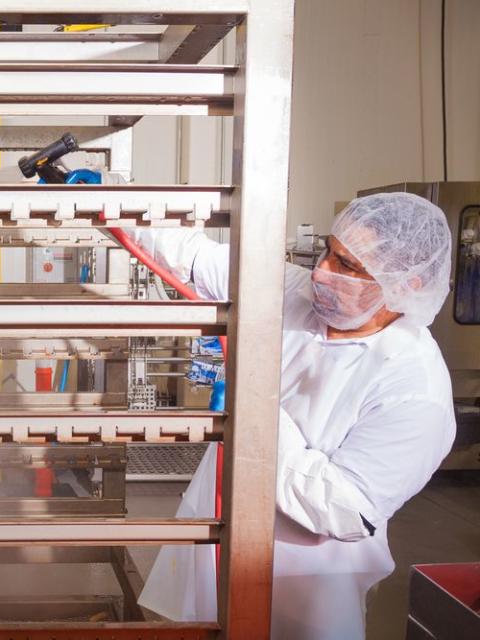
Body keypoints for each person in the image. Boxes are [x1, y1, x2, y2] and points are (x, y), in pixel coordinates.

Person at [135, 192, 456, 639]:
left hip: (308, 587)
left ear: (407, 285)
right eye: (328, 249)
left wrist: (254, 409)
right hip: (213, 542)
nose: (322, 270)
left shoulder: (414, 387)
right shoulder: (296, 292)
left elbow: (345, 509)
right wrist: (115, 203)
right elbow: (193, 257)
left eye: (347, 265)